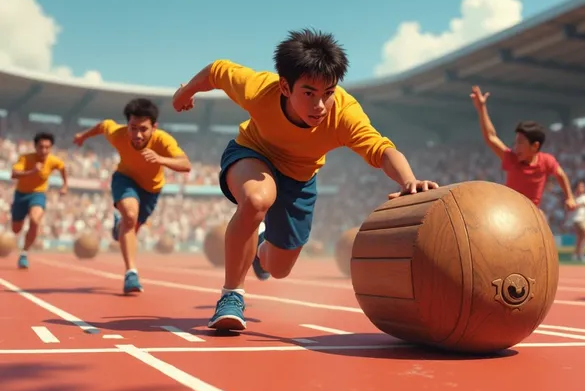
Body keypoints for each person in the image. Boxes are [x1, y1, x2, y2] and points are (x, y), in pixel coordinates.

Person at [172, 28, 439, 331]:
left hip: (299, 179)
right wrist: (186, 92)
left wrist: (409, 181)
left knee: (279, 268)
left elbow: (382, 150)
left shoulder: (345, 114)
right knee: (258, 199)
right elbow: (217, 70)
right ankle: (232, 295)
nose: (320, 106)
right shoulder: (259, 90)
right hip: (252, 153)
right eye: (309, 93)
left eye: (328, 93)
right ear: (285, 87)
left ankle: (261, 250)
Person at [73, 98, 191, 294]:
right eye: (133, 127)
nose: (137, 134)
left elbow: (185, 164)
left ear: (154, 127)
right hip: (124, 179)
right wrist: (83, 137)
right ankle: (131, 273)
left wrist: (160, 158)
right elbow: (103, 125)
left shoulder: (163, 140)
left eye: (143, 129)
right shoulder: (118, 134)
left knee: (129, 229)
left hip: (151, 190)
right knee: (130, 215)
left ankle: (119, 226)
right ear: (127, 125)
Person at [469, 85, 576, 213]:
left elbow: (561, 174)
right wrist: (482, 108)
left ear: (535, 146)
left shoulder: (546, 161)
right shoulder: (512, 159)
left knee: (542, 217)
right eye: (515, 143)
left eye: (520, 143)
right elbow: (491, 137)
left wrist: (569, 197)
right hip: (509, 212)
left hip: (532, 213)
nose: (515, 147)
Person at [10, 132, 68, 269]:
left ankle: (24, 253)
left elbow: (63, 169)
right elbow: (13, 174)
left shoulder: (54, 161)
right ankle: (21, 229)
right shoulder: (25, 158)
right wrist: (32, 172)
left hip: (38, 194)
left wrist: (65, 185)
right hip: (21, 195)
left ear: (51, 148)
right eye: (41, 147)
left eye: (47, 148)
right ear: (35, 147)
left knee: (35, 220)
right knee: (16, 229)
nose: (44, 151)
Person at [570, 179, 585, 262]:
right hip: (578, 219)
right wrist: (580, 204)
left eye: (583, 186)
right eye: (580, 186)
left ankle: (576, 254)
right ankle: (580, 254)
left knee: (580, 238)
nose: (582, 188)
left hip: (583, 218)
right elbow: (570, 206)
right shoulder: (574, 196)